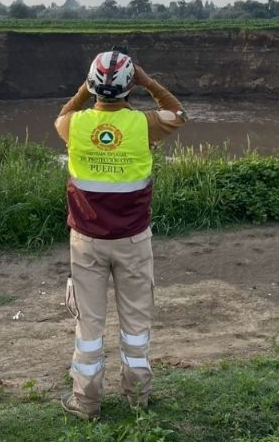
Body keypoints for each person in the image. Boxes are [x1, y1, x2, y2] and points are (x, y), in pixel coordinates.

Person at [55, 48, 188, 420]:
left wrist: (84, 88)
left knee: (89, 325)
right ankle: (138, 398)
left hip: (86, 243)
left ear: (93, 85)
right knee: (135, 324)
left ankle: (86, 402)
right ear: (130, 86)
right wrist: (147, 81)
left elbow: (63, 114)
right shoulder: (145, 125)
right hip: (132, 240)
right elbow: (179, 113)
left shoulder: (73, 126)